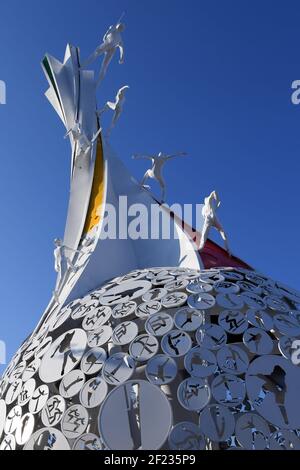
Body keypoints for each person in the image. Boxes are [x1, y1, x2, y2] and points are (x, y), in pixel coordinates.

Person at [199, 190, 231, 255]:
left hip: (213, 218)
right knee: (204, 233)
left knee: (223, 233)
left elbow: (214, 193)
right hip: (209, 218)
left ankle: (228, 249)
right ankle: (201, 247)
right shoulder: (207, 202)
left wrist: (217, 199)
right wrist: (216, 198)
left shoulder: (211, 204)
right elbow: (212, 194)